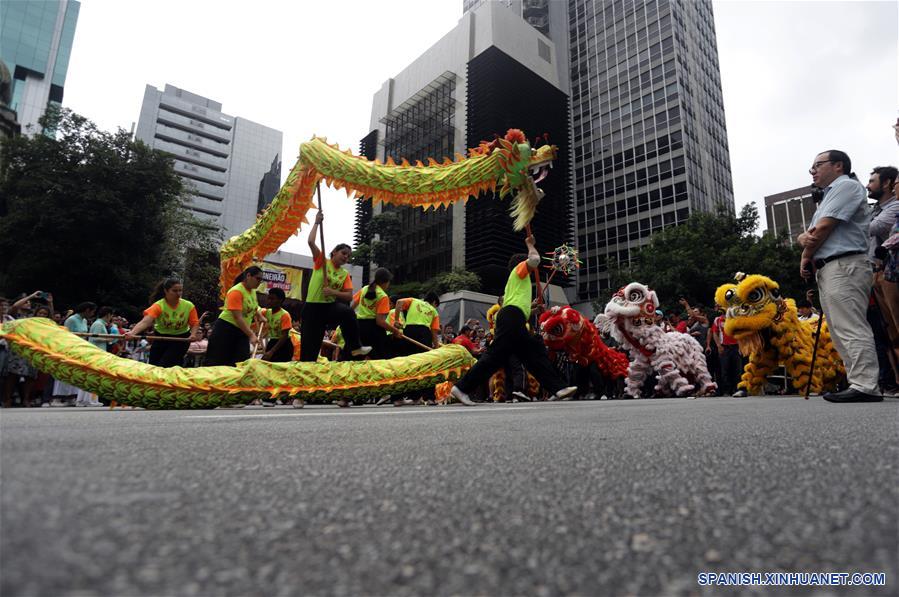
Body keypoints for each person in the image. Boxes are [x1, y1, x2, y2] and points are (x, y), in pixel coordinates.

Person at [451, 234, 577, 406]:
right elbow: (534, 260)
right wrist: (530, 244)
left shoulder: (518, 281)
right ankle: (461, 388)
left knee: (533, 354)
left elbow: (518, 306)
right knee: (498, 355)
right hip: (511, 317)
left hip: (513, 317)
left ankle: (558, 388)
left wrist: (533, 309)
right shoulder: (520, 270)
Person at [798, 150, 880, 402]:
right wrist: (806, 241)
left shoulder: (845, 186)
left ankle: (865, 385)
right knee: (838, 328)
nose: (812, 171)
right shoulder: (830, 194)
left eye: (817, 165)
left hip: (844, 264)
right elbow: (808, 234)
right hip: (831, 266)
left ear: (838, 166)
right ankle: (859, 381)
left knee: (850, 326)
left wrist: (804, 255)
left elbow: (820, 229)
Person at [300, 210, 370, 362]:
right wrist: (317, 222)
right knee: (310, 346)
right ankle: (306, 370)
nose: (346, 257)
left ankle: (355, 347)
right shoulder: (322, 262)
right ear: (334, 252)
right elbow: (311, 242)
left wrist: (332, 291)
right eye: (343, 253)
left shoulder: (344, 274)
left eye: (348, 256)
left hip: (329, 307)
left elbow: (349, 296)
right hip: (312, 308)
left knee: (348, 313)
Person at [866, 166, 899, 395]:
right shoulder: (874, 209)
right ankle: (895, 381)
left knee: (897, 323)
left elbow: (872, 228)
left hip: (891, 270)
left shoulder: (895, 205)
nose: (868, 185)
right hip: (875, 272)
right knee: (889, 332)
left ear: (886, 183)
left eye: (872, 181)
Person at [125, 278, 200, 367]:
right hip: (160, 337)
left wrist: (193, 334)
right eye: (175, 291)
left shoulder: (189, 305)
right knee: (153, 366)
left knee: (165, 365)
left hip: (181, 339)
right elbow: (145, 321)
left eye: (180, 290)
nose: (178, 294)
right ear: (166, 291)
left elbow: (194, 322)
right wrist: (132, 333)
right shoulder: (159, 306)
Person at [205, 266, 264, 367]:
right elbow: (238, 317)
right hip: (226, 329)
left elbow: (253, 306)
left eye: (261, 280)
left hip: (242, 330)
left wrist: (259, 315)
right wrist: (251, 335)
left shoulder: (252, 291)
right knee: (217, 362)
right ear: (248, 276)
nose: (259, 282)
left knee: (241, 361)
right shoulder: (236, 291)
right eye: (257, 279)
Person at [352, 267, 403, 359]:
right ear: (385, 282)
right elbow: (379, 321)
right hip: (373, 330)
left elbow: (352, 307)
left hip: (358, 327)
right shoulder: (383, 296)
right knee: (382, 358)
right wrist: (395, 331)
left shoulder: (364, 289)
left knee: (357, 360)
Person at [52, 302, 97, 406]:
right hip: (68, 348)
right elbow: (65, 335)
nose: (93, 314)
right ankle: (57, 398)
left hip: (80, 349)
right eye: (92, 311)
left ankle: (71, 397)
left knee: (75, 374)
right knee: (64, 373)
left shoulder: (84, 320)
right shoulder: (71, 319)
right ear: (87, 310)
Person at [711, 308, 742, 396]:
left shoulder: (735, 319)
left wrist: (741, 347)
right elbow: (714, 333)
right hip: (724, 347)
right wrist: (719, 346)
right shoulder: (718, 319)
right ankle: (726, 391)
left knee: (737, 369)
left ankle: (736, 389)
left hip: (736, 347)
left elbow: (739, 334)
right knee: (725, 369)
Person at [259, 288, 294, 364]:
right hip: (272, 342)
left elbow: (284, 336)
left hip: (283, 345)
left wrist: (271, 351)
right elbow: (255, 310)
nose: (269, 301)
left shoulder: (285, 315)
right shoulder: (266, 312)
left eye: (272, 299)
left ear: (280, 300)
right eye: (268, 298)